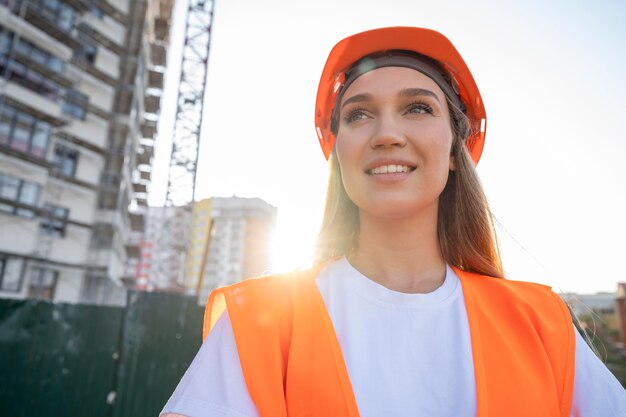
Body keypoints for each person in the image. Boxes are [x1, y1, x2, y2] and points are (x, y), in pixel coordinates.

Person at [161, 27, 626, 417]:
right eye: (358, 114)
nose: (386, 134)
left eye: (418, 107)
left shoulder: (541, 324)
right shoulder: (261, 325)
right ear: (337, 151)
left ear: (453, 149)